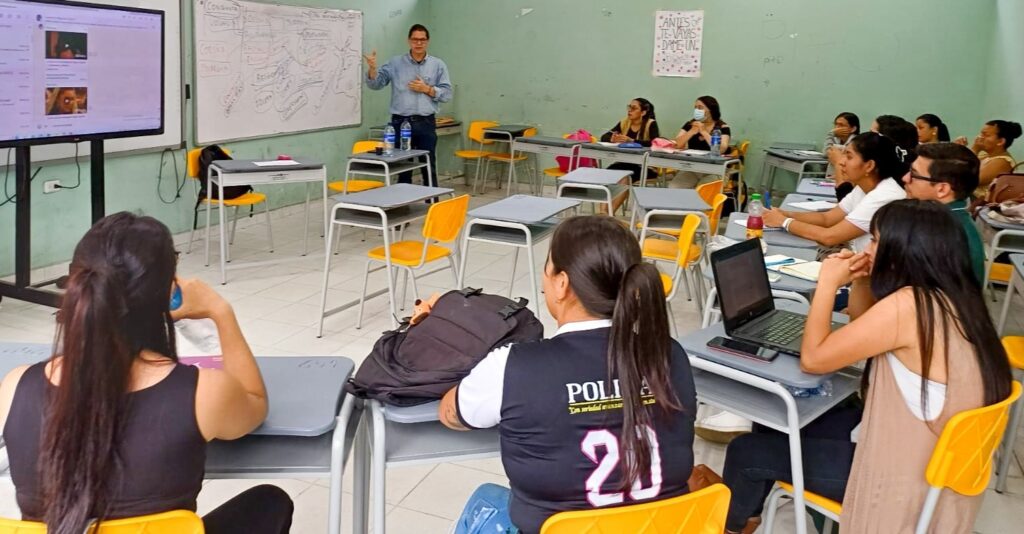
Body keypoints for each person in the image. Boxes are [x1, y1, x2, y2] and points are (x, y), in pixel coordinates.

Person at [723, 199, 1013, 534]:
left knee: (746, 452)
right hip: (926, 460)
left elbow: (813, 360)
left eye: (875, 240)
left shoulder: (909, 306)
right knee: (775, 418)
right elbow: (861, 329)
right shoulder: (955, 298)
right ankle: (749, 515)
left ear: (903, 251)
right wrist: (861, 281)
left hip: (899, 479)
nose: (867, 249)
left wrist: (828, 284)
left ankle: (734, 525)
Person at [0, 213, 293, 534]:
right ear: (166, 291)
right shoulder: (202, 392)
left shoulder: (16, 386)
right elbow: (255, 403)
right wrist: (220, 312)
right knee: (270, 502)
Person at [440, 216, 697, 534]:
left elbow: (452, 414)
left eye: (547, 268)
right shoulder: (671, 354)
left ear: (562, 284)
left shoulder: (514, 365)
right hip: (658, 527)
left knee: (485, 500)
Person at [763, 132, 908, 252]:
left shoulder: (884, 197)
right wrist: (784, 213)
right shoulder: (864, 187)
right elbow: (827, 219)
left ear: (869, 166)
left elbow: (829, 237)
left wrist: (783, 221)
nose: (841, 162)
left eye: (849, 156)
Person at [364, 24, 453, 187]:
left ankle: (432, 200)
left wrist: (427, 89)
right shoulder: (395, 63)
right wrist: (372, 69)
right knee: (402, 168)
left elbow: (447, 94)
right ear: (408, 41)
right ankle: (403, 200)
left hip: (425, 123)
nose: (418, 43)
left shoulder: (437, 64)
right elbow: (376, 84)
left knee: (428, 166)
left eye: (422, 40)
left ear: (427, 41)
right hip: (400, 122)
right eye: (415, 39)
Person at [902, 142, 985, 283]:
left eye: (914, 174)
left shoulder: (938, 234)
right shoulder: (946, 218)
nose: (905, 178)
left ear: (942, 189)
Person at [599, 97, 660, 213]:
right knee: (608, 175)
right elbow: (604, 136)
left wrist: (632, 141)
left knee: (624, 178)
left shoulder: (650, 124)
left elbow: (654, 143)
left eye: (634, 108)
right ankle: (602, 213)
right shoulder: (624, 122)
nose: (629, 110)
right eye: (629, 107)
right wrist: (612, 139)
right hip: (624, 163)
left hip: (644, 166)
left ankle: (610, 214)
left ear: (643, 112)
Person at [671, 95, 731, 187]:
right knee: (674, 187)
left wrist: (704, 132)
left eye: (700, 107)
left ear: (711, 110)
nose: (697, 110)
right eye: (695, 108)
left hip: (716, 170)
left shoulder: (722, 127)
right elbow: (675, 145)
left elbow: (721, 149)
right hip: (692, 168)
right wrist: (691, 132)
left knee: (701, 190)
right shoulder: (690, 124)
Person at [955, 119, 1021, 198]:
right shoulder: (985, 155)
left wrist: (975, 149)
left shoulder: (1002, 161)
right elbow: (957, 169)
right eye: (981, 134)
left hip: (981, 203)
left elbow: (967, 181)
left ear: (1000, 141)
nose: (980, 137)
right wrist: (959, 149)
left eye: (986, 135)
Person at [824, 112, 860, 180]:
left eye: (841, 125)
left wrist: (830, 134)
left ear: (853, 129)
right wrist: (831, 134)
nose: (836, 128)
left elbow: (829, 152)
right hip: (831, 178)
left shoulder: (857, 142)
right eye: (836, 124)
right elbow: (826, 152)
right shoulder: (835, 139)